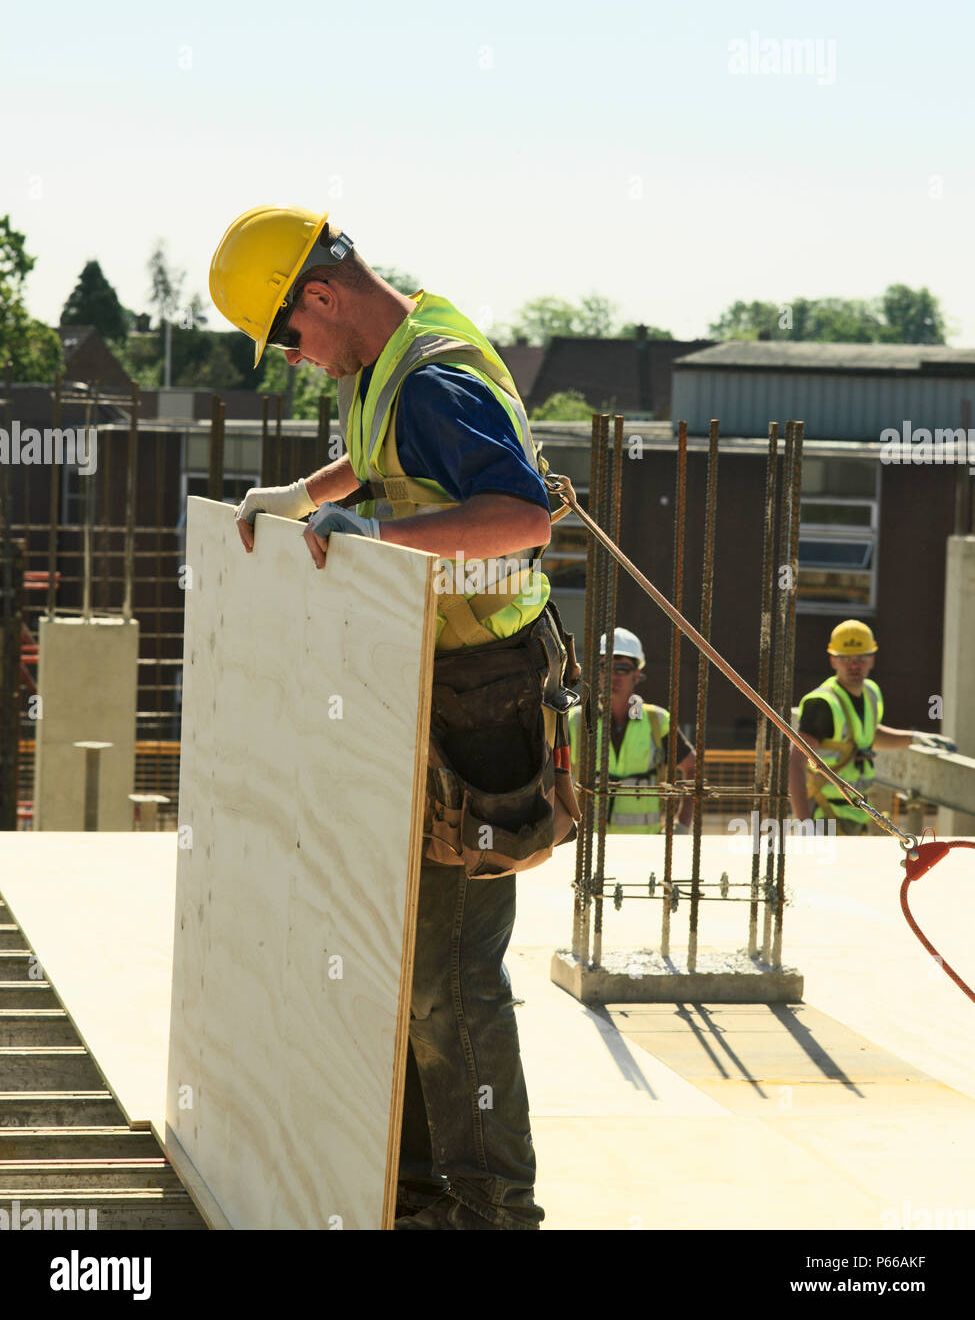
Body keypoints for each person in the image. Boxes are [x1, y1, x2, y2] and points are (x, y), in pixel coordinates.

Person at [210, 204, 580, 1231]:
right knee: (403, 958)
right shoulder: (386, 364)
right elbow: (388, 464)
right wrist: (305, 492)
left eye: (288, 335)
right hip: (436, 680)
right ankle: (417, 1191)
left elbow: (520, 517)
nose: (297, 357)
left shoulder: (432, 372)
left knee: (450, 975)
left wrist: (369, 533)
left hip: (490, 694)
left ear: (320, 297)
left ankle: (491, 1210)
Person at [789, 619, 954, 835]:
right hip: (823, 814)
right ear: (833, 661)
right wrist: (804, 823)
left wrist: (914, 738)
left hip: (857, 812)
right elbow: (795, 763)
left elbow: (867, 735)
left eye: (861, 658)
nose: (854, 665)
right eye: (845, 658)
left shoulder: (871, 693)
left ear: (872, 660)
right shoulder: (823, 703)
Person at [567, 627, 696, 834]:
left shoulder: (657, 720)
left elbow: (693, 768)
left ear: (637, 675)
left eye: (622, 669)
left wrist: (682, 824)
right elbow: (550, 777)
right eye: (605, 667)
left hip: (644, 846)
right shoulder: (576, 720)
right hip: (587, 842)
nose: (612, 676)